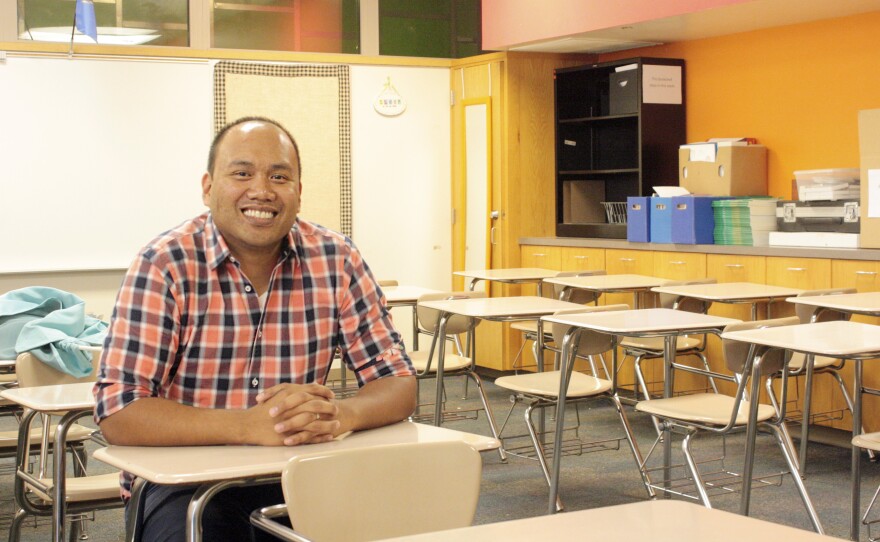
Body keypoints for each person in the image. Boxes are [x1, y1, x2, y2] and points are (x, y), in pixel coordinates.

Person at [94, 116, 416, 541]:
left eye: (279, 176)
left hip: (302, 474)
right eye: (241, 173)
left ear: (298, 193)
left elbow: (398, 382)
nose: (261, 190)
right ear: (208, 187)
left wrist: (339, 416)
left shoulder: (337, 259)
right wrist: (247, 426)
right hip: (185, 486)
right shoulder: (165, 264)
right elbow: (119, 411)